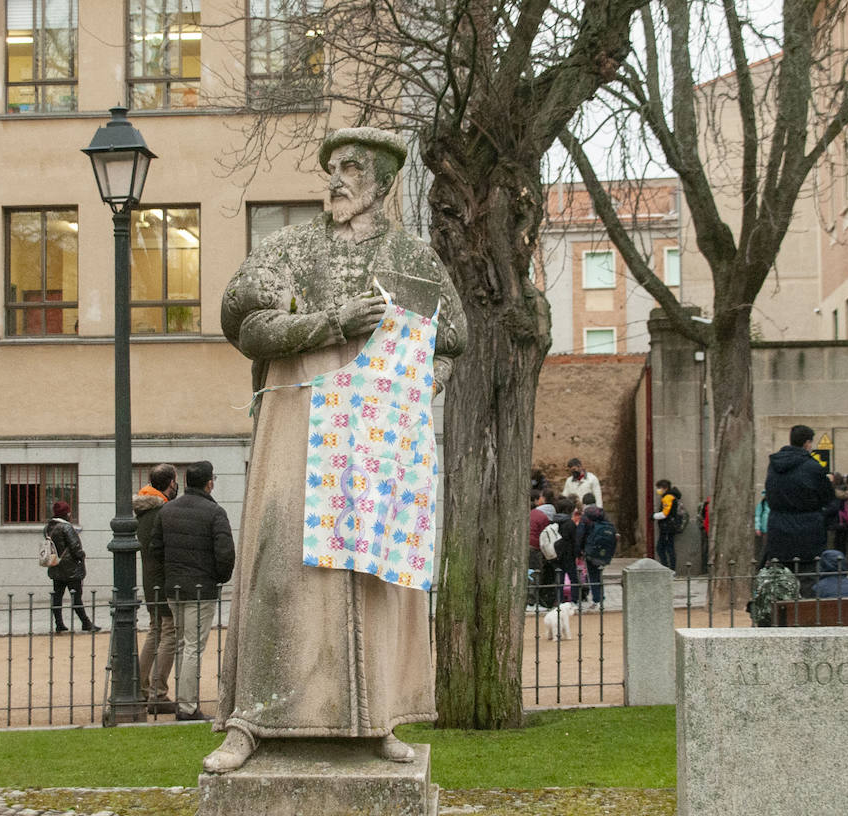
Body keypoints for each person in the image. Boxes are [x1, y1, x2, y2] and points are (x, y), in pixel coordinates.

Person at [210, 126, 467, 773]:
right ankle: (250, 721)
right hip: (297, 421)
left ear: (383, 181)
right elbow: (246, 323)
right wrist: (330, 323)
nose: (337, 178)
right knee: (279, 557)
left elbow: (451, 340)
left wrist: (424, 383)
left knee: (370, 575)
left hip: (375, 434)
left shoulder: (413, 258)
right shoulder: (291, 248)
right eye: (332, 166)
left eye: (352, 166)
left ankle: (376, 719)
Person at [149, 460, 235, 722]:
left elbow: (155, 550)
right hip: (200, 589)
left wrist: (170, 576)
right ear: (209, 483)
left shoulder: (167, 510)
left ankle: (182, 701)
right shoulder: (215, 512)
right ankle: (187, 707)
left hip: (174, 587)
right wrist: (217, 579)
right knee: (192, 647)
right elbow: (225, 554)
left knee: (182, 644)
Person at [763, 425, 835, 597]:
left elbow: (770, 493)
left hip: (778, 528)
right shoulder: (813, 467)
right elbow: (827, 497)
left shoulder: (774, 466)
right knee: (808, 578)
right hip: (808, 530)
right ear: (807, 443)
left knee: (780, 579)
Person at [133, 463, 179, 715]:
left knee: (156, 631)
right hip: (164, 581)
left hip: (151, 581)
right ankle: (157, 692)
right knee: (169, 631)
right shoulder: (162, 511)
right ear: (171, 482)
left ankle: (140, 687)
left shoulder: (144, 510)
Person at [46, 501, 98, 633]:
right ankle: (86, 623)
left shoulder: (48, 527)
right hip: (71, 569)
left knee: (57, 596)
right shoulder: (66, 527)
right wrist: (81, 555)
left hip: (56, 566)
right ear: (66, 514)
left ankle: (59, 624)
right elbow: (75, 547)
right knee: (76, 597)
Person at [576, 495, 613, 611]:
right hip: (604, 549)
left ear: (584, 503)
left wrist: (579, 550)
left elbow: (580, 534)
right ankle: (600, 598)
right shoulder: (602, 514)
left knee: (592, 575)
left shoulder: (585, 516)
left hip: (590, 549)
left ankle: (597, 599)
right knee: (598, 574)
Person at [529, 486, 558, 609]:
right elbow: (545, 535)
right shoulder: (543, 516)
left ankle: (530, 599)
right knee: (536, 572)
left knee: (530, 572)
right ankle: (532, 599)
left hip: (528, 544)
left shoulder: (532, 514)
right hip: (536, 547)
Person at [652, 479, 680, 572]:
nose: (658, 490)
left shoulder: (668, 497)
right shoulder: (670, 496)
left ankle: (669, 569)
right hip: (668, 526)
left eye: (659, 488)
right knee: (667, 548)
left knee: (663, 548)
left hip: (667, 527)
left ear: (665, 488)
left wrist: (654, 516)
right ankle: (668, 569)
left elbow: (665, 513)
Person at [753, 489, 770, 568]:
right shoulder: (762, 504)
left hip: (774, 529)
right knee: (765, 546)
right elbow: (757, 515)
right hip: (765, 529)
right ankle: (763, 564)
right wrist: (757, 528)